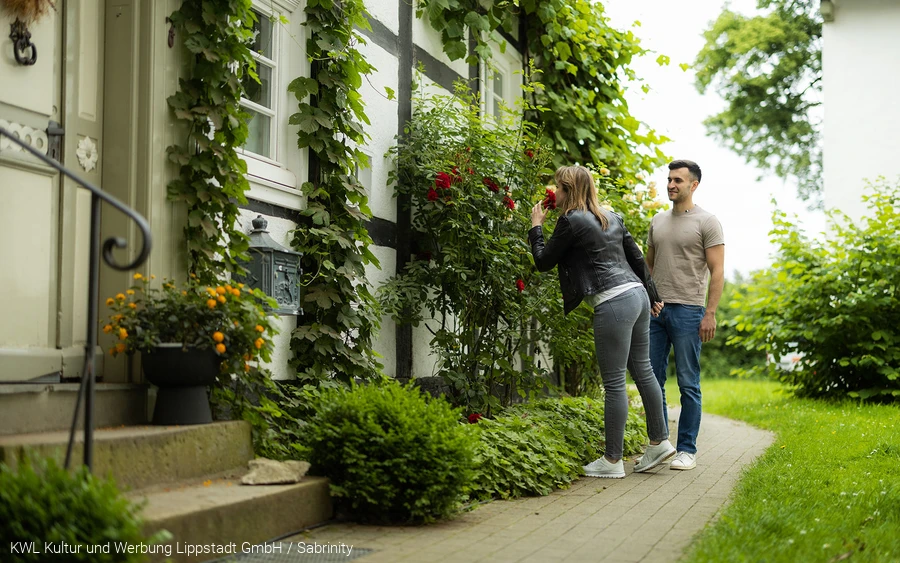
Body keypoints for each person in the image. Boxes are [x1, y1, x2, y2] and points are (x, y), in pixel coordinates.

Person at [529, 165, 675, 478]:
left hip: (614, 301)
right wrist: (653, 295)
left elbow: (543, 261)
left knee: (614, 383)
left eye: (559, 187)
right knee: (644, 371)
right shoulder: (612, 216)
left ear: (568, 189)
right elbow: (637, 259)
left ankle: (611, 461)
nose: (555, 192)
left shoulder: (571, 219)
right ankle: (659, 442)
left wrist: (536, 227)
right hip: (637, 295)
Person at [646, 159, 725, 471]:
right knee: (651, 380)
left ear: (694, 185)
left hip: (690, 311)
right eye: (669, 179)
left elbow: (718, 271)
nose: (671, 185)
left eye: (678, 180)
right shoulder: (657, 221)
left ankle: (687, 450)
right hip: (656, 311)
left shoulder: (707, 222)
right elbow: (648, 266)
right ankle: (658, 445)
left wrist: (710, 313)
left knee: (688, 383)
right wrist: (647, 301)